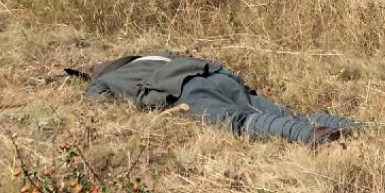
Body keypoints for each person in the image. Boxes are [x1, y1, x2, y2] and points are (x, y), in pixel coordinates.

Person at [83, 51, 356, 148]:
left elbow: (98, 104)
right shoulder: (153, 54)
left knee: (237, 122)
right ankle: (358, 126)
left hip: (182, 90)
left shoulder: (103, 79)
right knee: (283, 112)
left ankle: (308, 134)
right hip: (214, 73)